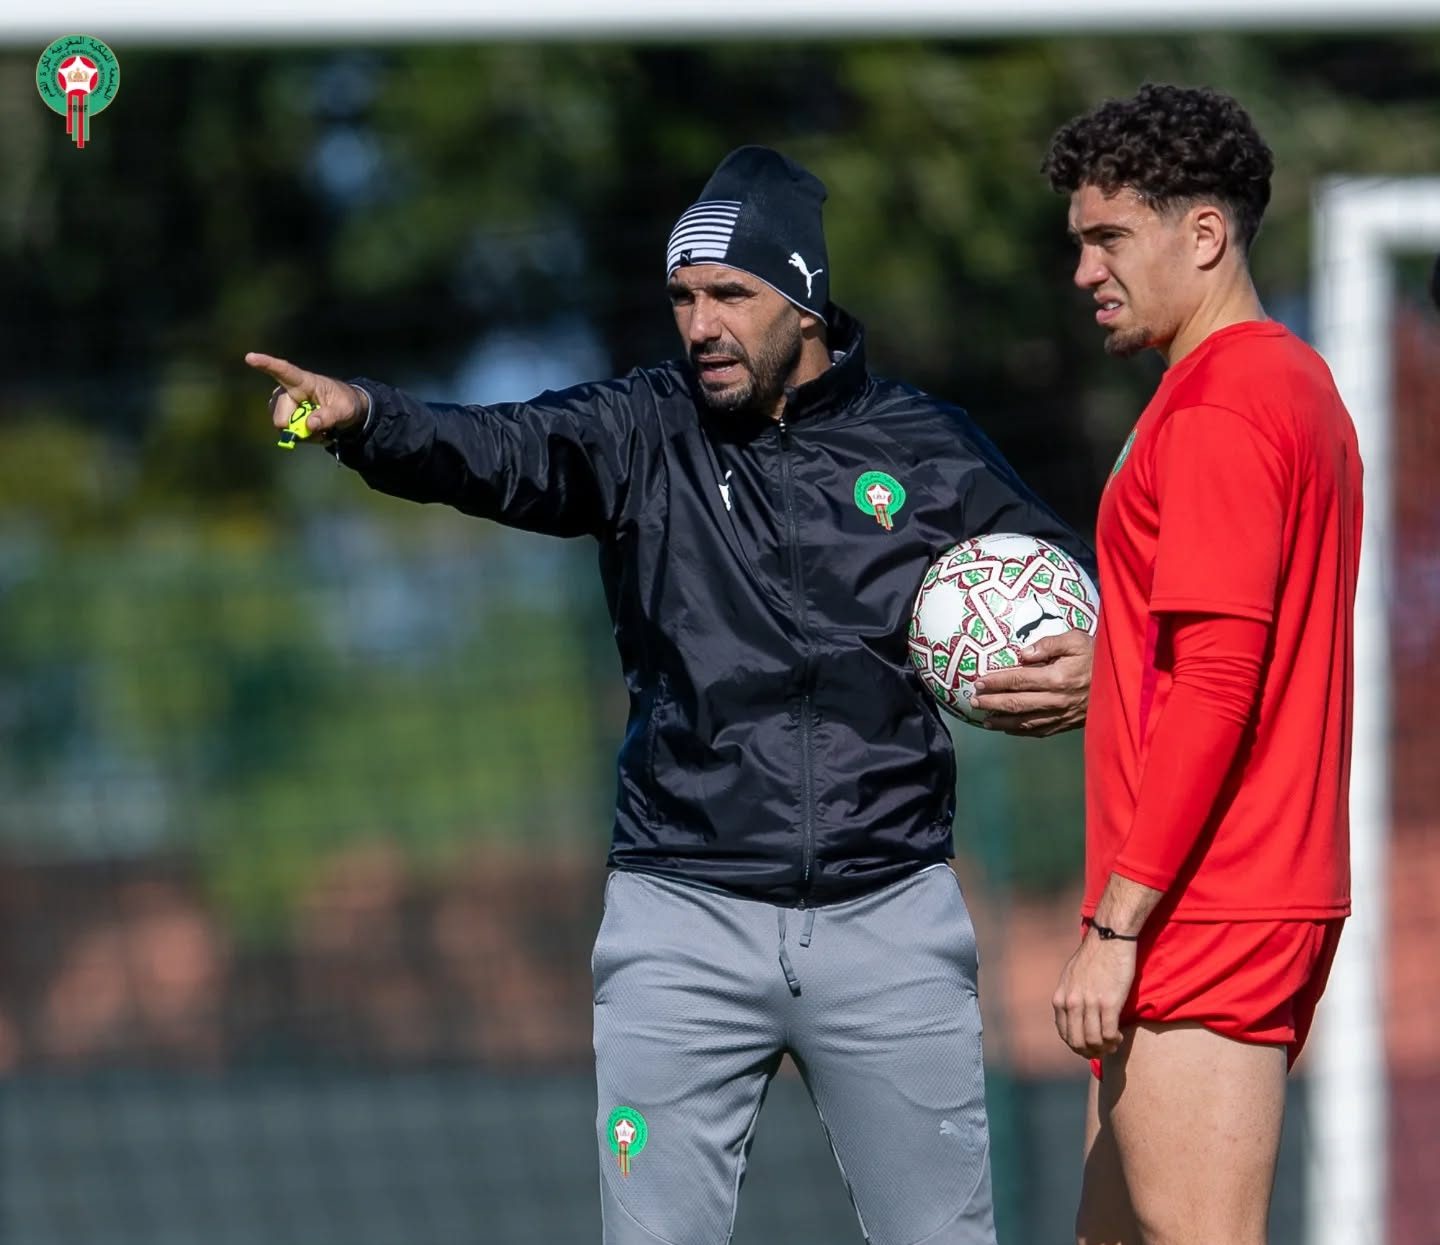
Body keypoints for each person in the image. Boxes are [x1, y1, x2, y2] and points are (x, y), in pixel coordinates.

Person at [247, 146, 1095, 1245]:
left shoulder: (926, 446)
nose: (700, 325)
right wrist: (365, 416)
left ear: (804, 299)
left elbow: (1070, 581)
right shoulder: (642, 430)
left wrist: (1100, 648)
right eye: (683, 297)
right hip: (679, 921)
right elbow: (497, 449)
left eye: (730, 296)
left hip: (891, 915)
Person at [1033, 84, 1360, 1245]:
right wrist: (1115, 663)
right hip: (1212, 892)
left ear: (1205, 234)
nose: (1084, 271)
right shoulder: (1285, 384)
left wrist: (1117, 931)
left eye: (1108, 237)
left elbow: (1223, 685)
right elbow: (1216, 650)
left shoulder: (1223, 403)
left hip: (1205, 903)